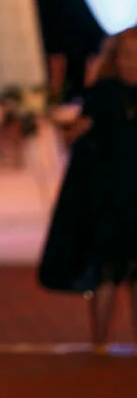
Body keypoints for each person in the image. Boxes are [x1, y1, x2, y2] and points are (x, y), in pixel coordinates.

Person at [39, 23, 137, 346]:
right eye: (127, 56)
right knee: (106, 269)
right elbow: (79, 139)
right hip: (109, 195)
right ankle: (100, 342)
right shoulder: (103, 93)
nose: (132, 64)